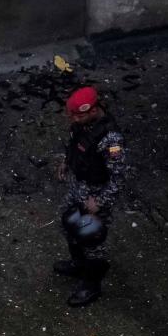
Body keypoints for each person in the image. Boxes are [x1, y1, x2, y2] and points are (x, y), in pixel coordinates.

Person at [54, 86, 129, 306]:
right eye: (73, 115)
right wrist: (66, 162)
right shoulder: (82, 124)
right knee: (68, 224)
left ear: (94, 110)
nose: (75, 119)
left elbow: (119, 177)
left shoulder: (111, 140)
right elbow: (75, 145)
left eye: (80, 115)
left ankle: (91, 285)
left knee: (91, 237)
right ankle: (78, 264)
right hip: (79, 186)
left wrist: (101, 202)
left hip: (96, 194)